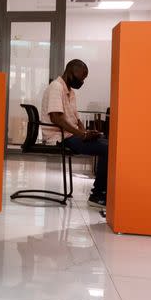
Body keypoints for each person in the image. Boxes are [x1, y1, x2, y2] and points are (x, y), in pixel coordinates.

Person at [41, 59, 107, 208]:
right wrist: (82, 135)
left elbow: (76, 119)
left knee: (107, 143)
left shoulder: (70, 92)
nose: (82, 81)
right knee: (106, 149)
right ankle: (97, 195)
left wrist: (87, 132)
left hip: (70, 135)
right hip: (60, 137)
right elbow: (56, 118)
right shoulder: (56, 88)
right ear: (71, 71)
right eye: (82, 77)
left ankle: (104, 191)